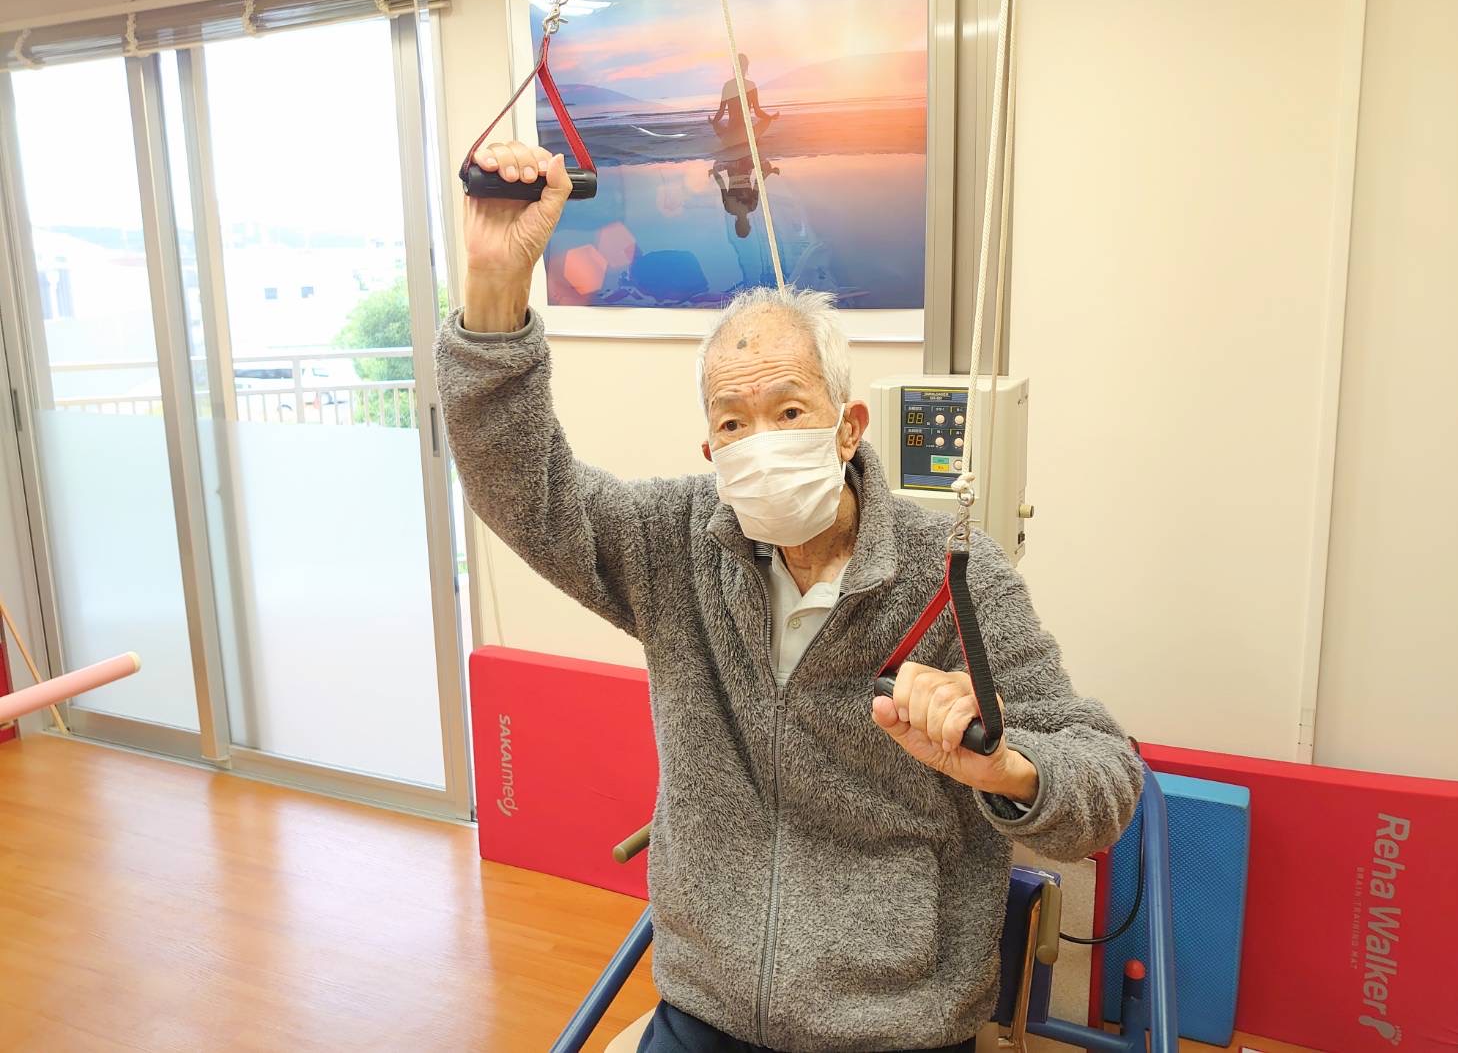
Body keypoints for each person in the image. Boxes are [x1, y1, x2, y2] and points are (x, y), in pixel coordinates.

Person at [437, 142, 1142, 1053]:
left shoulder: (950, 579)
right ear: (711, 454)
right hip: (707, 1001)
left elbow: (1104, 776)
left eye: (789, 411)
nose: (760, 441)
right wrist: (495, 289)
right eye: (733, 422)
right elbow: (522, 489)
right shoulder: (672, 546)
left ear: (848, 428)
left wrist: (1006, 767)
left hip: (892, 1024)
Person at [710, 53, 778, 143]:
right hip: (746, 132)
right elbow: (757, 112)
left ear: (734, 67)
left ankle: (734, 139)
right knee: (766, 120)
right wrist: (770, 117)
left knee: (716, 124)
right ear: (746, 68)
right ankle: (751, 139)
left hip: (731, 132)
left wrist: (713, 122)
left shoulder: (728, 86)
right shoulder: (751, 86)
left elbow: (721, 111)